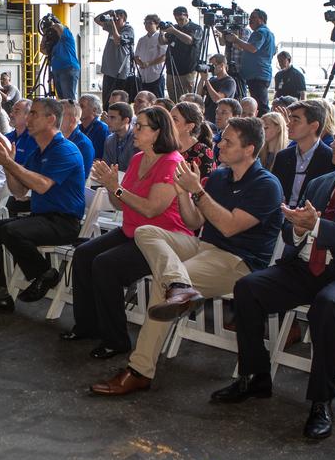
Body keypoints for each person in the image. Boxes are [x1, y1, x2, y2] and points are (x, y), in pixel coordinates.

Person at [200, 115, 335, 440]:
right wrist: (296, 228)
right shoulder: (321, 183)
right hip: (308, 267)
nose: (334, 144)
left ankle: (321, 401)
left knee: (328, 305)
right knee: (249, 287)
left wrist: (318, 226)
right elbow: (291, 225)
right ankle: (255, 376)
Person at [90, 117, 283, 397]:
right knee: (147, 232)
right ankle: (179, 286)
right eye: (222, 139)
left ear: (250, 149)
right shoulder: (219, 176)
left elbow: (229, 227)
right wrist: (183, 194)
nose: (219, 144)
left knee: (163, 284)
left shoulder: (266, 184)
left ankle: (140, 370)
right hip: (203, 246)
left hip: (238, 261)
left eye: (228, 142)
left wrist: (197, 191)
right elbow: (194, 223)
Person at [67, 106, 188, 358]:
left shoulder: (172, 162)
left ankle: (116, 339)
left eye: (141, 126)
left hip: (161, 237)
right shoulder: (137, 159)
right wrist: (112, 188)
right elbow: (120, 204)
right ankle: (88, 326)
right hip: (134, 230)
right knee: (84, 254)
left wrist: (116, 188)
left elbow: (152, 209)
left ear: (157, 133)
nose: (135, 130)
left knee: (106, 265)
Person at [0, 98, 86, 314]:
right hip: (41, 217)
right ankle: (0, 294)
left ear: (51, 119)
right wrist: (9, 166)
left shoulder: (65, 149)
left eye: (34, 114)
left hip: (64, 222)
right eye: (28, 114)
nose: (28, 119)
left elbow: (41, 186)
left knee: (10, 230)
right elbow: (19, 191)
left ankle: (45, 273)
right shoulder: (38, 152)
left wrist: (9, 163)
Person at [271, 100, 334, 205]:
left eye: (295, 120)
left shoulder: (331, 159)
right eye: (290, 119)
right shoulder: (283, 156)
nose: (288, 124)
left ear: (314, 126)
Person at [228, 9, 276, 114]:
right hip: (259, 74)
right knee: (259, 103)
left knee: (261, 106)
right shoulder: (268, 33)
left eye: (253, 18)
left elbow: (252, 48)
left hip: (257, 75)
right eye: (250, 18)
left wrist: (236, 40)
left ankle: (265, 126)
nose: (250, 21)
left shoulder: (260, 32)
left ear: (262, 19)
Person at [162, 6, 203, 100]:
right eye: (176, 18)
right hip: (171, 69)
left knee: (187, 98)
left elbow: (189, 40)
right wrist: (161, 32)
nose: (178, 20)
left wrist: (174, 31)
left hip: (187, 70)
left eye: (180, 18)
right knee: (173, 98)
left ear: (186, 15)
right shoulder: (174, 28)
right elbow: (163, 41)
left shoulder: (195, 27)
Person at [98, 9, 137, 106]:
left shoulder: (128, 29)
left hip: (120, 71)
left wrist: (112, 24)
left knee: (118, 101)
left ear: (124, 19)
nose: (115, 21)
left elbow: (118, 40)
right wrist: (108, 13)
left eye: (118, 19)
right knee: (107, 100)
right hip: (108, 70)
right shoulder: (112, 27)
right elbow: (97, 20)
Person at [171, 101, 215, 181]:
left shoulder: (203, 153)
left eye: (174, 119)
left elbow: (206, 189)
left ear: (189, 127)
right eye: (169, 117)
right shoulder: (165, 146)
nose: (168, 122)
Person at [43, 18, 80, 101]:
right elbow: (43, 50)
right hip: (57, 70)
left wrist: (53, 23)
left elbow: (60, 27)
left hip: (68, 68)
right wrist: (45, 35)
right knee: (62, 99)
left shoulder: (67, 36)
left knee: (68, 98)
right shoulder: (55, 44)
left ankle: (73, 113)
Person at [134, 14, 169, 97]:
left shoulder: (160, 38)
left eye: (150, 23)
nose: (147, 25)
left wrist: (149, 63)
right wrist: (140, 63)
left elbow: (164, 56)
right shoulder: (142, 40)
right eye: (145, 23)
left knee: (157, 100)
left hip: (156, 75)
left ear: (156, 24)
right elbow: (136, 56)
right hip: (142, 76)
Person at [60, 99, 96, 179]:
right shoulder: (56, 140)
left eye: (59, 115)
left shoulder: (83, 145)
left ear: (72, 120)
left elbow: (81, 178)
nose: (54, 119)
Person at [201, 53, 237, 123]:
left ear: (222, 65)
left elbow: (217, 99)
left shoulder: (229, 82)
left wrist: (206, 80)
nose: (211, 68)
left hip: (220, 119)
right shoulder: (212, 80)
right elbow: (199, 94)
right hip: (207, 117)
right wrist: (202, 79)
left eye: (214, 65)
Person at [101, 102, 136, 170]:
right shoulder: (109, 140)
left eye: (112, 118)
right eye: (108, 117)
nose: (108, 121)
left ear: (126, 120)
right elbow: (106, 167)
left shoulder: (137, 139)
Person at [78, 94, 110, 158]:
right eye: (77, 106)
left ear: (94, 110)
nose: (78, 109)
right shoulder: (78, 128)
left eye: (81, 106)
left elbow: (100, 157)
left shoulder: (102, 129)